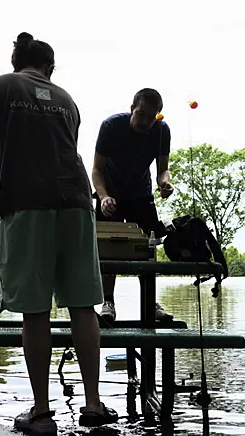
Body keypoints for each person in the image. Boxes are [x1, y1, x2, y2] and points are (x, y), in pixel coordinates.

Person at [0, 32, 118, 436]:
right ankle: (93, 405)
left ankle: (42, 414)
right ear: (50, 67)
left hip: (27, 204)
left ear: (17, 62)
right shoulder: (66, 100)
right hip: (77, 203)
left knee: (36, 311)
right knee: (83, 306)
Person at [91, 89, 176, 323]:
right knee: (108, 250)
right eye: (141, 114)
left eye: (152, 116)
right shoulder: (111, 127)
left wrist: (165, 183)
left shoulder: (161, 130)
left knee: (147, 249)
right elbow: (97, 169)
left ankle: (150, 303)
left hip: (141, 195)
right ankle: (108, 303)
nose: (145, 122)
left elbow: (163, 170)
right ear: (132, 109)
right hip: (109, 195)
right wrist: (104, 196)